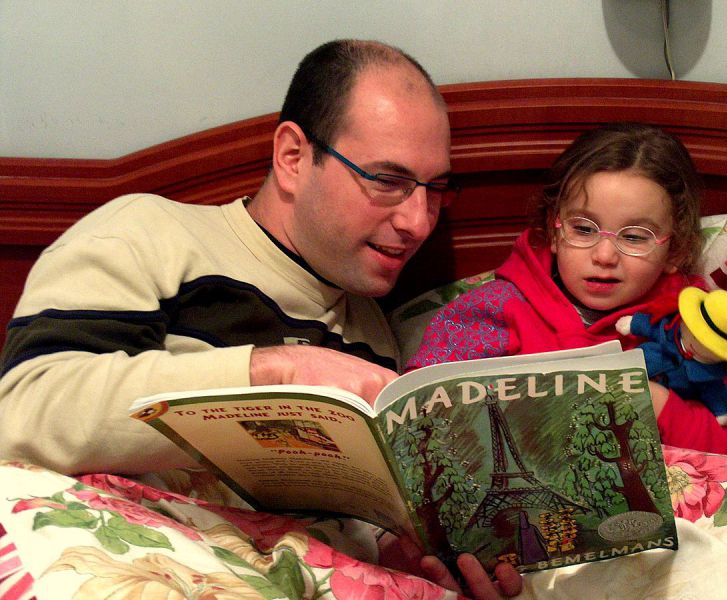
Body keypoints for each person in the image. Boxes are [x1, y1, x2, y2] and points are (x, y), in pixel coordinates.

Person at [0, 39, 522, 599]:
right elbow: (24, 410)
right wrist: (276, 375)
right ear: (293, 157)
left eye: (436, 189)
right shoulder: (149, 234)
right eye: (387, 181)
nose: (418, 221)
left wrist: (403, 554)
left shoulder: (372, 335)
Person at [407, 122, 727, 459]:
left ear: (677, 251)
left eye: (636, 236)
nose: (604, 256)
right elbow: (413, 412)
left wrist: (658, 405)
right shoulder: (494, 311)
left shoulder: (684, 334)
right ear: (554, 230)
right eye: (584, 229)